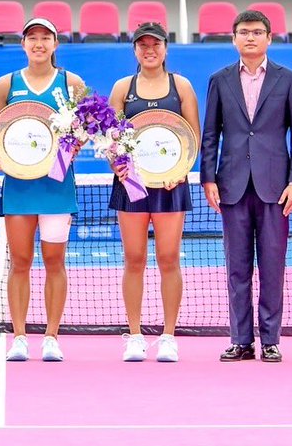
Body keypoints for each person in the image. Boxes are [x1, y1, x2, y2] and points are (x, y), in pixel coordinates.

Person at [201, 9, 292, 363]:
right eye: (244, 32)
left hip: (276, 188)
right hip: (231, 186)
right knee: (237, 267)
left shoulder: (289, 79)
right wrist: (208, 178)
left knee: (273, 265)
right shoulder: (219, 80)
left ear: (269, 38)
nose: (250, 37)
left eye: (257, 32)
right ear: (233, 39)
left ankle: (271, 340)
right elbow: (210, 134)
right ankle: (241, 339)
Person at [0, 17, 86, 362]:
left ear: (55, 44)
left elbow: (84, 130)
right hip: (19, 186)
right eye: (33, 38)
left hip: (57, 186)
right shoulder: (6, 84)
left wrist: (74, 146)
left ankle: (51, 337)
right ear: (24, 45)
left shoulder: (71, 83)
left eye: (46, 38)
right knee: (20, 262)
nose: (39, 44)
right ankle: (19, 336)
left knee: (54, 261)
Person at [108, 22, 202, 361]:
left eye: (155, 44)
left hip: (170, 184)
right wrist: (117, 165)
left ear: (165, 48)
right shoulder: (122, 87)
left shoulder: (181, 86)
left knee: (168, 259)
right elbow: (111, 139)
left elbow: (193, 135)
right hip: (131, 182)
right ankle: (134, 336)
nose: (149, 50)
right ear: (135, 50)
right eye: (142, 45)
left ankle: (168, 336)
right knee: (134, 260)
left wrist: (181, 170)